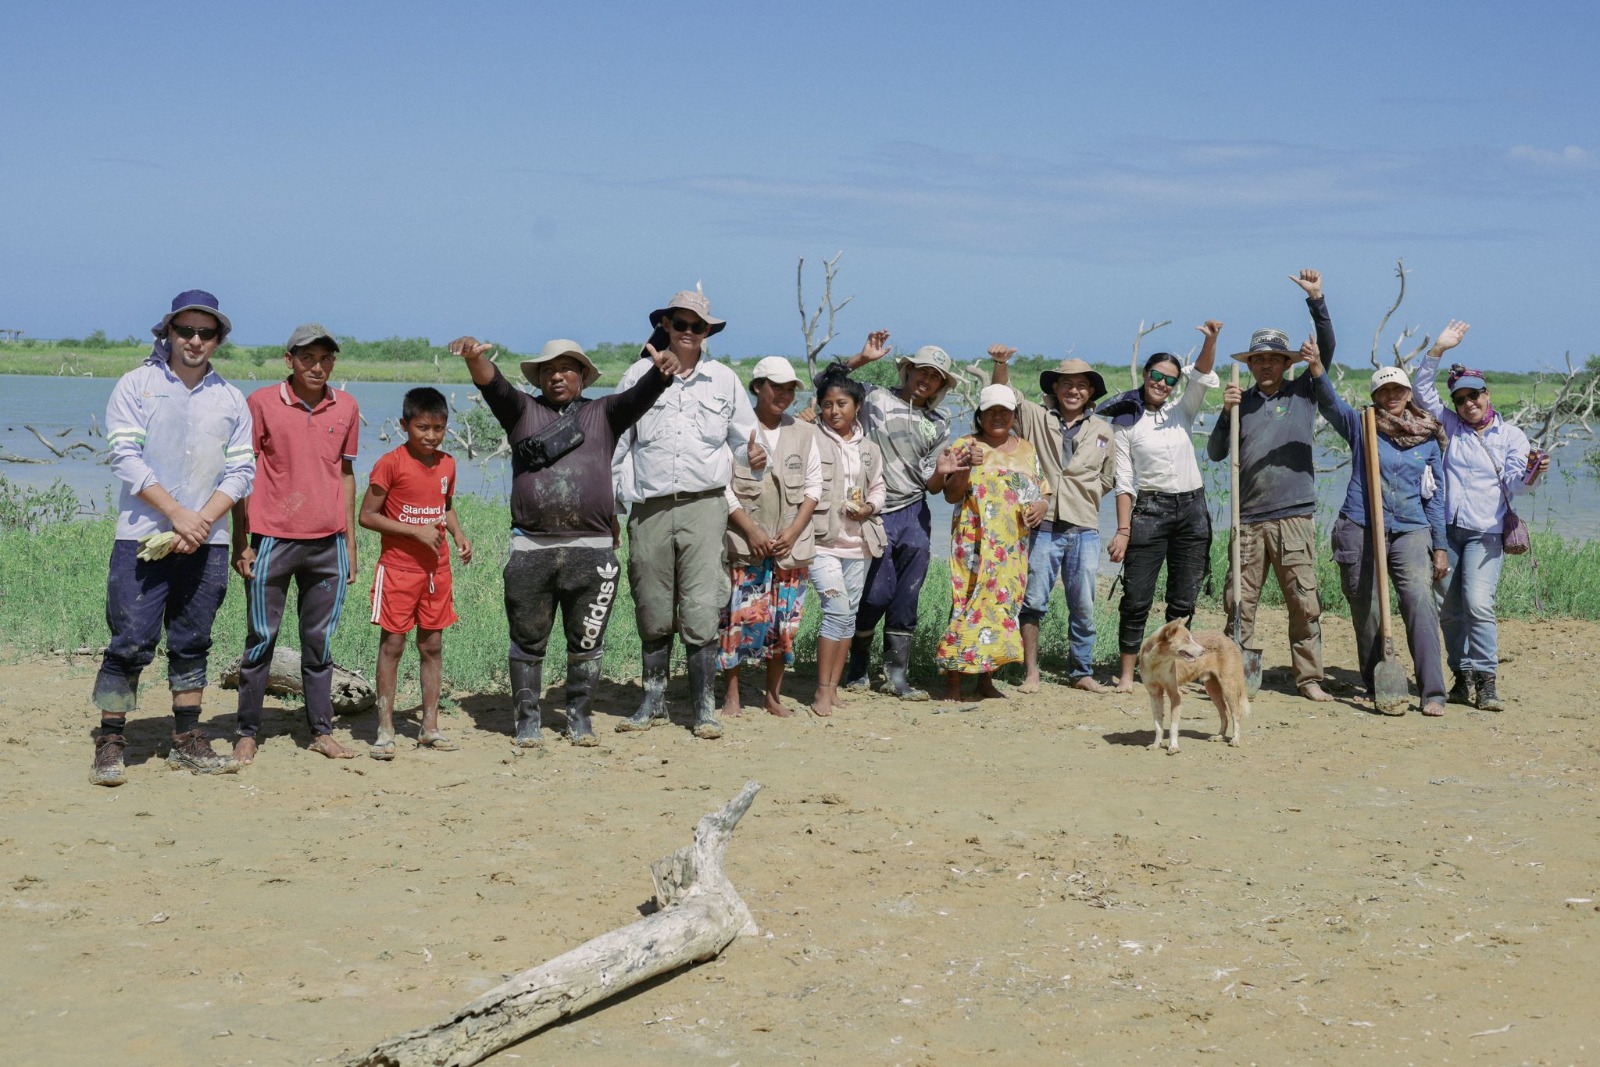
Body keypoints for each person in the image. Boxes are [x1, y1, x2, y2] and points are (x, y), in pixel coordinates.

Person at [448, 335, 678, 746]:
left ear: (583, 378)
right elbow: (493, 384)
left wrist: (660, 374)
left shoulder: (605, 412)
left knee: (587, 640)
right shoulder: (521, 410)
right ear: (538, 377)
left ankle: (579, 717)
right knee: (527, 641)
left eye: (567, 369)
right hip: (530, 549)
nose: (557, 376)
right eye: (549, 370)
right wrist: (473, 358)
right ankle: (528, 722)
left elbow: (640, 396)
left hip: (592, 552)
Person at [89, 290, 255, 786]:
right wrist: (177, 515)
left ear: (218, 340)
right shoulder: (136, 386)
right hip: (141, 535)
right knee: (130, 639)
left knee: (193, 640)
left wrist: (201, 520)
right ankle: (111, 739)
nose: (195, 340)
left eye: (206, 333)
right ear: (167, 332)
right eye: (186, 331)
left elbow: (242, 468)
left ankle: (187, 739)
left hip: (210, 540)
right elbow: (123, 455)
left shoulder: (230, 398)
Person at [612, 288, 757, 740]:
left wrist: (756, 455)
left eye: (698, 326)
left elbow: (748, 445)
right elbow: (616, 446)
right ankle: (652, 701)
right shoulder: (638, 374)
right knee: (653, 608)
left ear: (708, 332)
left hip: (706, 506)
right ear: (667, 327)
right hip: (649, 508)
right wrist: (617, 508)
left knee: (700, 608)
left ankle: (703, 708)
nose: (689, 333)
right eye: (681, 325)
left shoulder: (725, 380)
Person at [231, 324, 361, 763]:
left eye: (326, 359)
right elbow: (241, 474)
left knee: (319, 642)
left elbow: (345, 475)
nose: (317, 366)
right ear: (289, 360)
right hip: (272, 541)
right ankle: (247, 731)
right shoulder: (262, 403)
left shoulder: (346, 407)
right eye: (308, 358)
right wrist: (241, 541)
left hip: (328, 546)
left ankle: (321, 731)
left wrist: (351, 546)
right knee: (261, 638)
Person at [1205, 269, 1336, 702]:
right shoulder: (1240, 403)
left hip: (1294, 515)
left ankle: (1309, 678)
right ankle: (1232, 671)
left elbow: (1326, 350)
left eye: (1273, 359)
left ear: (1285, 364)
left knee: (1303, 601)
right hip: (1249, 519)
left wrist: (1316, 300)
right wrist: (1226, 413)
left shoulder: (1302, 392)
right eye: (1258, 359)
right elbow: (1217, 454)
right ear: (1251, 363)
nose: (1265, 365)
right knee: (1238, 602)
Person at [1415, 321, 1548, 711]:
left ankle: (1487, 681)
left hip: (1485, 534)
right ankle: (1462, 676)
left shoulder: (1511, 436)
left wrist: (1533, 473)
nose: (1468, 403)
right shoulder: (1450, 425)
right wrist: (1438, 349)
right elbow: (1422, 391)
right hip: (1446, 531)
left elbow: (1516, 483)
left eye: (1475, 396)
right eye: (1460, 399)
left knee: (1477, 603)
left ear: (1487, 395)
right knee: (1449, 609)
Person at [1310, 344, 1449, 716]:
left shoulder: (1427, 436)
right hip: (1362, 524)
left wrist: (1440, 546)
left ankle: (1432, 691)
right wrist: (1318, 370)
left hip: (1411, 528)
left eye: (1398, 391)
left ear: (1408, 394)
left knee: (1419, 600)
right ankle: (1377, 683)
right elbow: (1330, 405)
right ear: (1375, 396)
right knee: (1367, 607)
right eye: (1384, 392)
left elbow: (1435, 497)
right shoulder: (1362, 424)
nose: (1392, 398)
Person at [835, 331, 963, 700]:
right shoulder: (873, 397)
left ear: (940, 384)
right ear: (907, 370)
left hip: (914, 513)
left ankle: (896, 675)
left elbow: (934, 485)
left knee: (906, 596)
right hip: (872, 510)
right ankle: (857, 668)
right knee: (875, 594)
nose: (926, 379)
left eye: (935, 376)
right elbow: (829, 384)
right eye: (920, 370)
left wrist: (942, 470)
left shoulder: (938, 423)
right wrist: (861, 359)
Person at [1100, 322, 1224, 693]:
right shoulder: (1125, 422)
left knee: (1183, 599)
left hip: (1192, 510)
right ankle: (1127, 674)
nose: (1162, 384)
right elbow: (1124, 482)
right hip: (1150, 511)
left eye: (1170, 380)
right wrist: (1123, 531)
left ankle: (1175, 671)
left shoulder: (1181, 410)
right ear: (1145, 374)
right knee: (1137, 597)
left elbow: (1201, 375)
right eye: (1156, 375)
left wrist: (1210, 340)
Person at [989, 348, 1116, 693]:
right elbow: (1005, 395)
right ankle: (1031, 671)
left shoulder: (1103, 430)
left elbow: (1108, 478)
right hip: (1041, 528)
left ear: (1090, 392)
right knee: (1032, 602)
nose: (1073, 391)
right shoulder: (1035, 417)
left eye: (1081, 386)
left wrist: (1084, 499)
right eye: (1066, 385)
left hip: (1084, 529)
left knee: (1084, 604)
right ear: (1055, 388)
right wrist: (1001, 364)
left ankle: (1082, 672)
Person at [358, 387, 473, 758]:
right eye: (422, 427)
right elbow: (367, 516)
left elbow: (445, 505)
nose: (431, 436)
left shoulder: (448, 465)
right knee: (393, 644)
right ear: (405, 424)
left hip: (436, 570)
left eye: (439, 428)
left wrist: (457, 534)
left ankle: (430, 726)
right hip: (398, 570)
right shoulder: (390, 463)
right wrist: (414, 532)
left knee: (433, 644)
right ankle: (386, 727)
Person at [718, 357, 820, 719]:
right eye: (777, 387)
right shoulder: (734, 432)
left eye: (790, 388)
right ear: (758, 386)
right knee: (735, 622)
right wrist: (750, 530)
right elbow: (723, 489)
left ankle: (772, 696)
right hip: (746, 546)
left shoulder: (805, 433)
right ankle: (732, 695)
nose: (785, 395)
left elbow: (813, 488)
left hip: (790, 548)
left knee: (784, 625)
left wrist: (792, 533)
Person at [935, 384, 1049, 701]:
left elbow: (1041, 493)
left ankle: (985, 681)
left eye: (1005, 411)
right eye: (991, 411)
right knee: (965, 605)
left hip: (1012, 548)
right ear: (980, 414)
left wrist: (1042, 506)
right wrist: (967, 465)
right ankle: (954, 684)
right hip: (972, 543)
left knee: (1000, 608)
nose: (998, 416)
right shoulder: (964, 445)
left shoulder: (1026, 449)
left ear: (1014, 414)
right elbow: (951, 495)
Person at [806, 361, 887, 717]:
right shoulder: (808, 436)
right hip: (821, 543)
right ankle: (822, 691)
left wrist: (869, 507)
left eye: (842, 404)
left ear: (857, 407)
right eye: (827, 404)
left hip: (859, 545)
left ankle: (834, 689)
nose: (834, 410)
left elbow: (880, 487)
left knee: (849, 617)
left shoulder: (869, 447)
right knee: (836, 610)